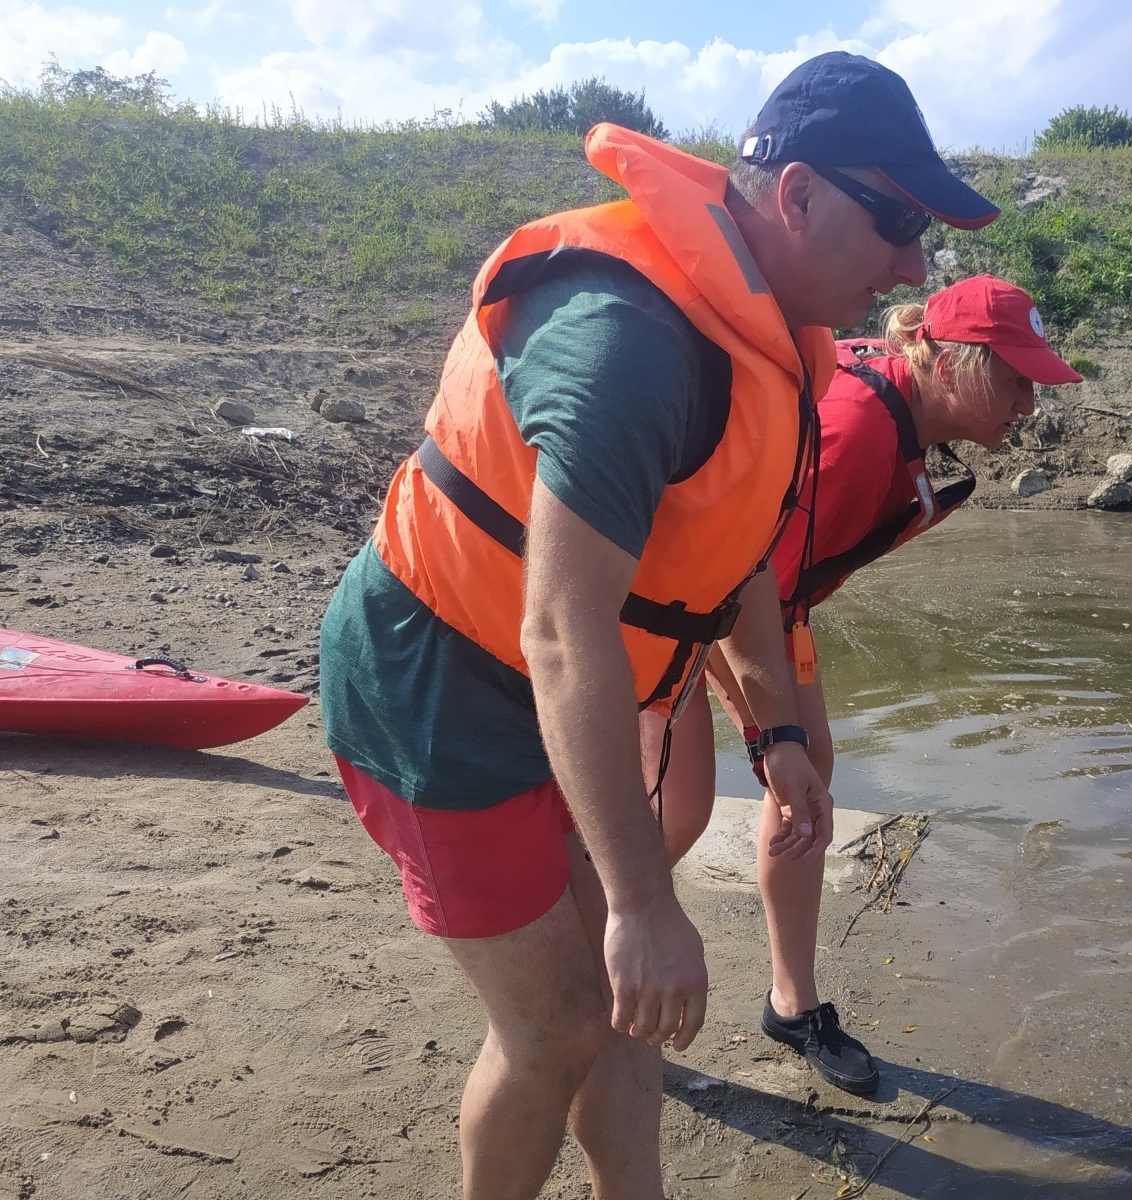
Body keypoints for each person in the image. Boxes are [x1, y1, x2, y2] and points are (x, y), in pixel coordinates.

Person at [318, 51, 1000, 1200]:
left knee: (628, 1019)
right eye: (896, 224)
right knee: (559, 1024)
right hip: (438, 683)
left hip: (547, 685)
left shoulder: (771, 339)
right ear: (797, 195)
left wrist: (779, 737)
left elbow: (732, 553)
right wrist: (640, 901)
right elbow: (563, 630)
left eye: (922, 235)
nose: (911, 266)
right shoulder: (628, 341)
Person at [643, 275, 1081, 1096]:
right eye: (1016, 379)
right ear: (948, 364)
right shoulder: (857, 435)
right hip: (676, 593)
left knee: (808, 779)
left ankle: (791, 1004)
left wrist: (790, 749)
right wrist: (768, 739)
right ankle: (591, 993)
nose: (1029, 403)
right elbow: (737, 587)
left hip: (760, 592)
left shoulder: (902, 404)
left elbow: (773, 582)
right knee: (678, 808)